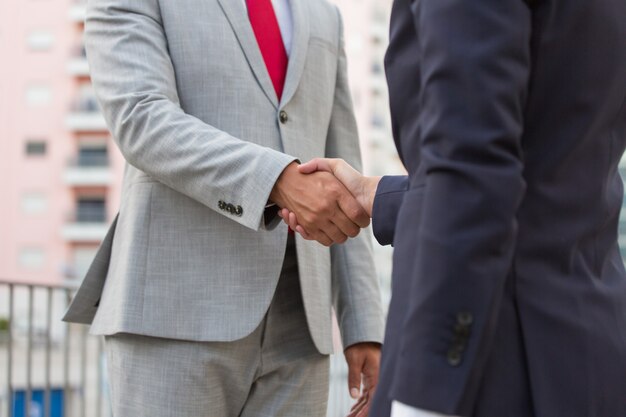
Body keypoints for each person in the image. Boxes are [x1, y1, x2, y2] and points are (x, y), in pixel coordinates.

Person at [279, 0, 626, 416]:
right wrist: (379, 195)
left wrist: (425, 394)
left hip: (493, 362)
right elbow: (546, 176)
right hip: (588, 349)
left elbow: (473, 175)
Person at [62, 0, 385, 416]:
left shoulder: (324, 14)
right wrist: (277, 179)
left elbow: (345, 172)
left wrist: (364, 326)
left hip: (302, 328)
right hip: (175, 313)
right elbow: (140, 118)